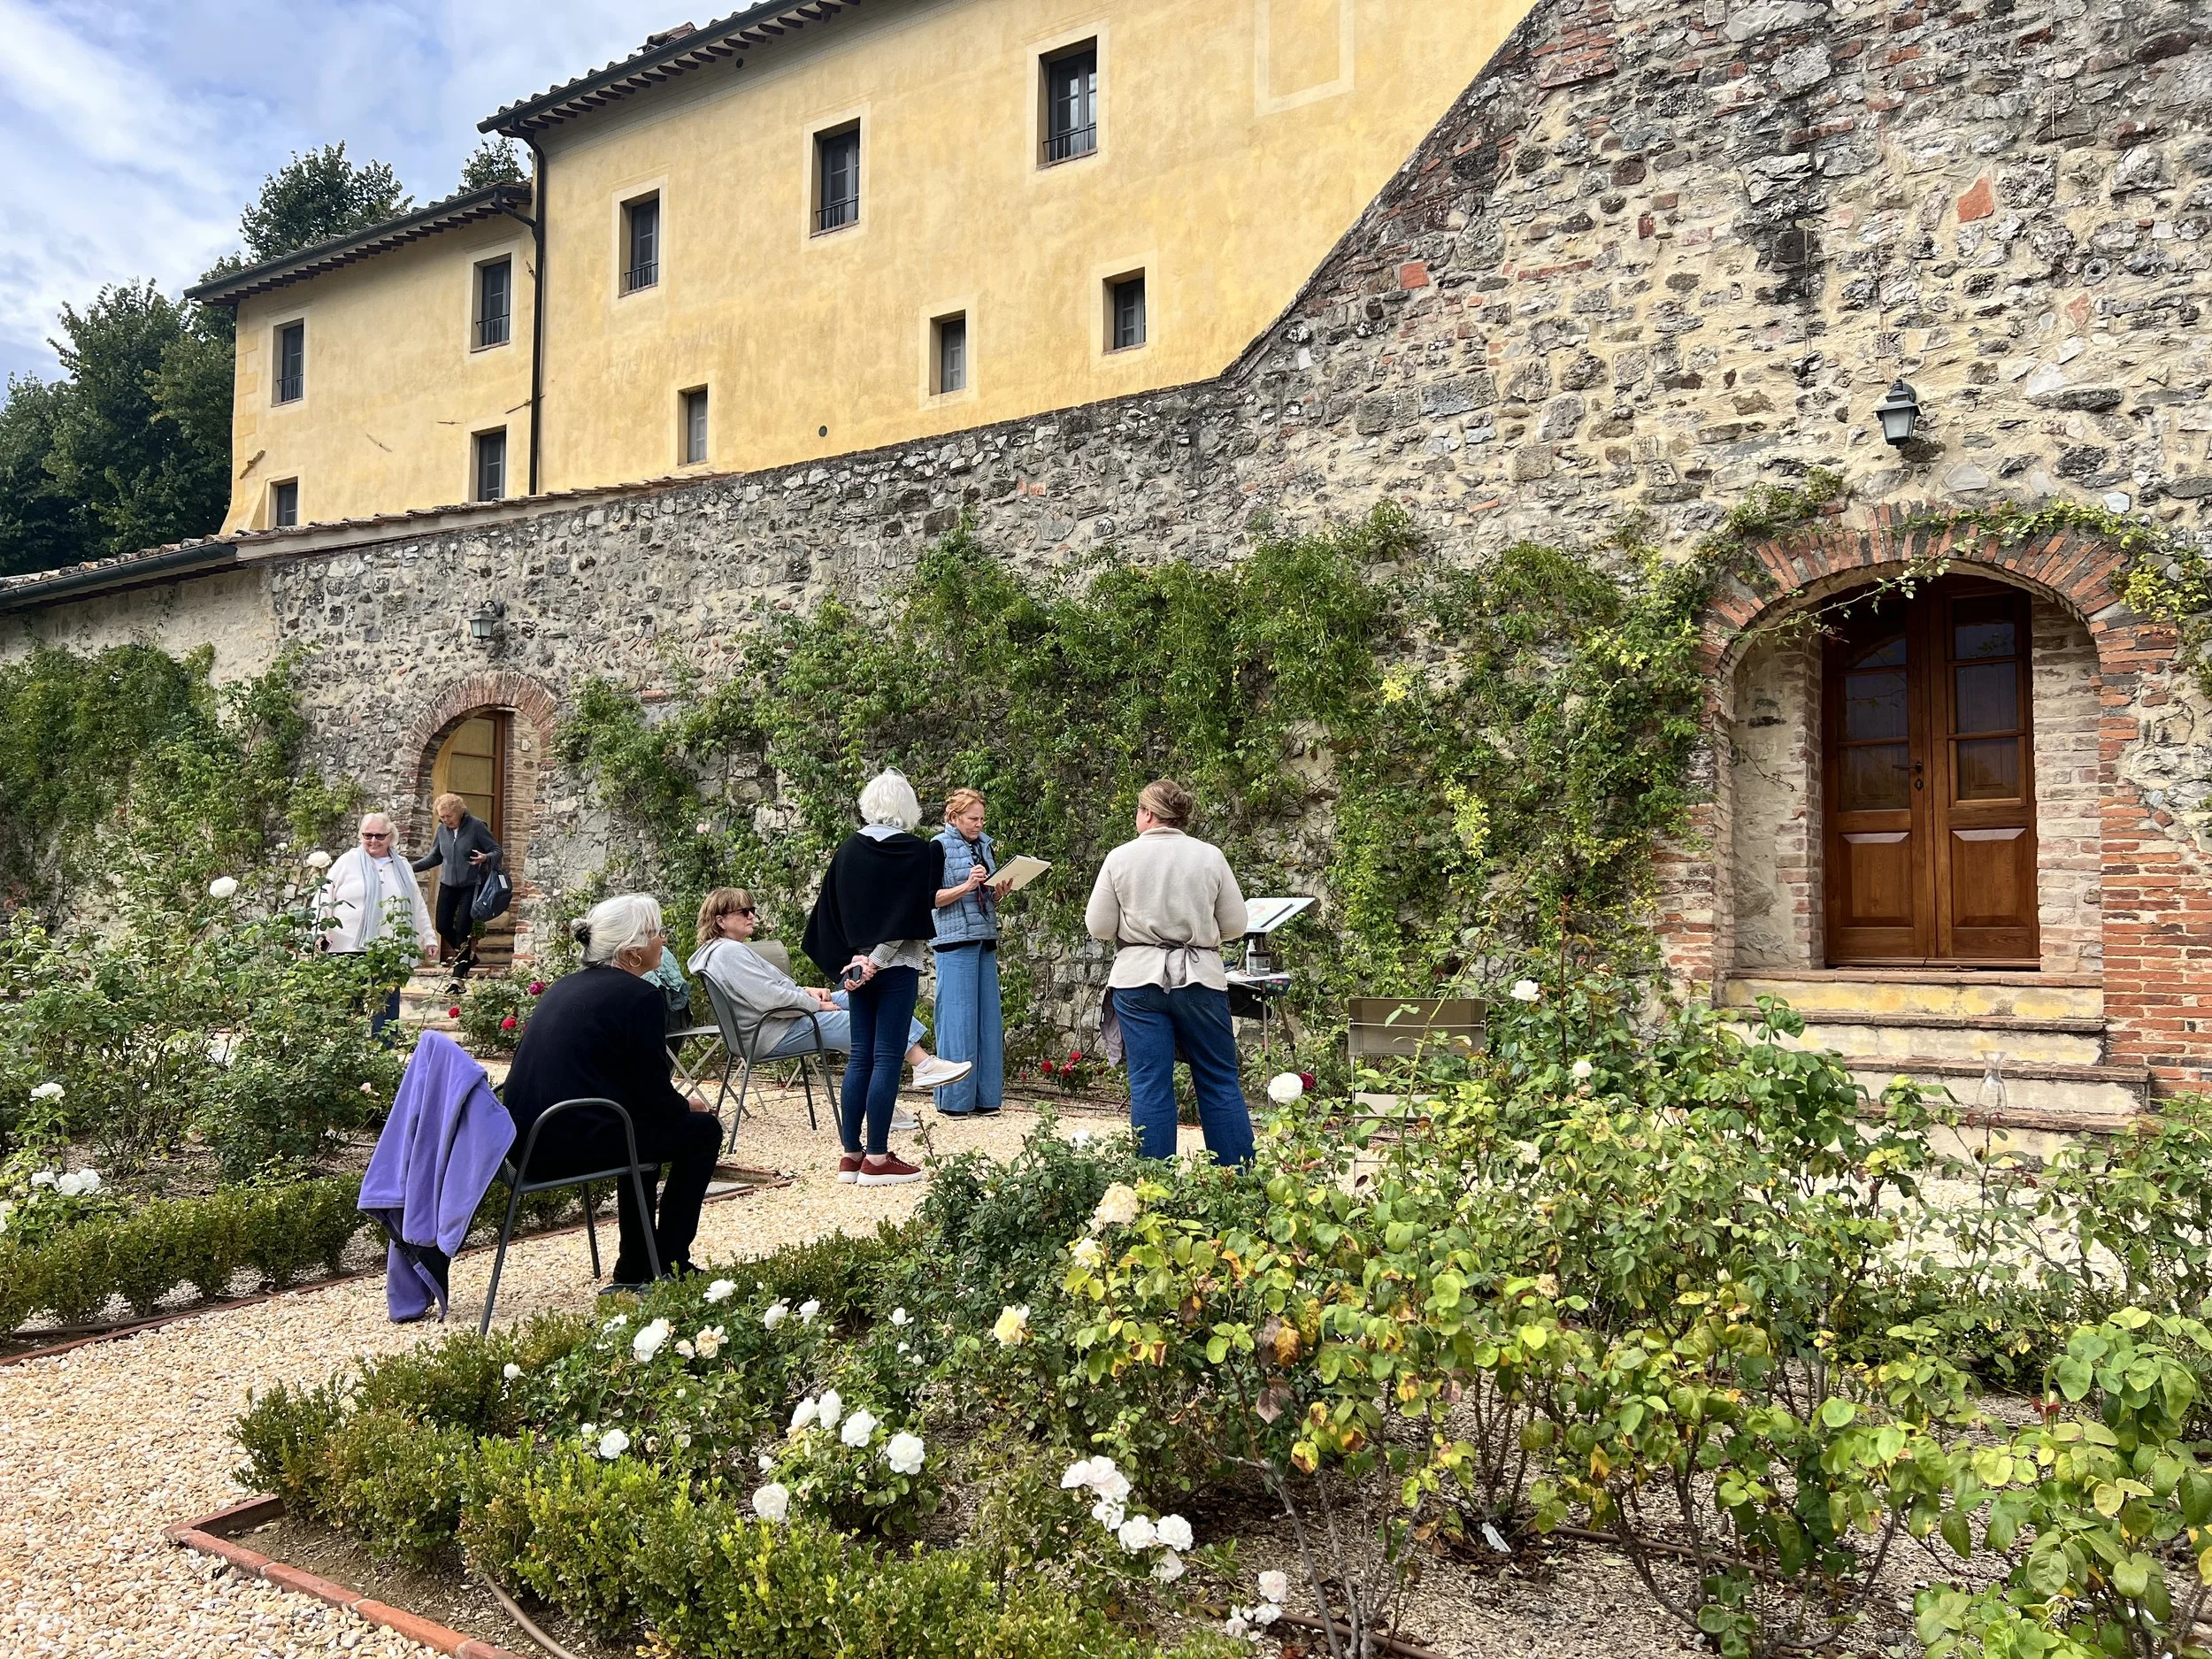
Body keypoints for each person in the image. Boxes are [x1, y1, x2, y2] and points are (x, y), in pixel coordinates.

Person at [500, 894, 722, 1288]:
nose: (664, 941)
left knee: (645, 1137)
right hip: (567, 1145)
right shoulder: (639, 997)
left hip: (525, 1141)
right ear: (631, 952)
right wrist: (688, 1105)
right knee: (703, 1132)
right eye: (656, 933)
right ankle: (669, 1260)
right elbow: (653, 1092)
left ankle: (637, 1263)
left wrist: (670, 1106)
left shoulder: (566, 986)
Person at [802, 771, 973, 1187]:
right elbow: (909, 915)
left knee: (860, 1056)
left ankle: (850, 1156)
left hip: (856, 973)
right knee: (886, 1057)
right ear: (907, 807)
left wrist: (853, 963)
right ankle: (877, 1159)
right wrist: (876, 960)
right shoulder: (919, 853)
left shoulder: (847, 851)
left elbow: (829, 915)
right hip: (894, 969)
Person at [689, 888, 957, 1136]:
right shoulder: (728, 954)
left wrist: (807, 991)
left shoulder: (724, 951)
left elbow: (768, 991)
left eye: (752, 909)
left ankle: (918, 1067)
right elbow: (771, 1000)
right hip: (772, 1031)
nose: (751, 915)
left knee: (865, 995)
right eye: (742, 912)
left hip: (780, 1020)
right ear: (720, 920)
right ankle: (904, 1083)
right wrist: (816, 1005)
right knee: (860, 1022)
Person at [1085, 779, 1254, 1166]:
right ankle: (1238, 1185)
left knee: (1149, 1085)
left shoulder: (1120, 857)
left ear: (1147, 813)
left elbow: (1099, 925)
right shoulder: (1210, 856)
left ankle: (1152, 1190)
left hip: (1138, 979)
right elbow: (1235, 924)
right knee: (1218, 1080)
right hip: (1200, 978)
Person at [317, 810, 437, 1039]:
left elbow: (416, 903)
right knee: (348, 1007)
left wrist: (428, 937)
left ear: (391, 836)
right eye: (367, 835)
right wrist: (320, 931)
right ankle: (347, 1057)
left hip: (389, 949)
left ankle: (383, 1058)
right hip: (347, 947)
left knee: (386, 1007)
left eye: (379, 836)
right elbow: (324, 895)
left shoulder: (402, 865)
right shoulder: (347, 862)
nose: (373, 841)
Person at [930, 788, 1010, 1117]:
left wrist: (999, 892)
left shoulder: (983, 846)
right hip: (953, 940)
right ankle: (954, 1101)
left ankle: (987, 1099)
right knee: (957, 1021)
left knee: (987, 1021)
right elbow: (930, 898)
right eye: (972, 819)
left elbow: (985, 897)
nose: (979, 824)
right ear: (954, 817)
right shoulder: (937, 846)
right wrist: (966, 885)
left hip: (983, 938)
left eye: (981, 819)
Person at [411, 793, 502, 987]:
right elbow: (435, 857)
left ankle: (457, 978)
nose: (445, 821)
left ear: (459, 813)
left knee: (463, 929)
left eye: (448, 817)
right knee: (442, 926)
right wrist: (408, 867)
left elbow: (497, 850)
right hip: (448, 884)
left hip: (471, 884)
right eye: (441, 817)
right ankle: (468, 956)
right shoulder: (442, 830)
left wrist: (485, 858)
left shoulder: (477, 827)